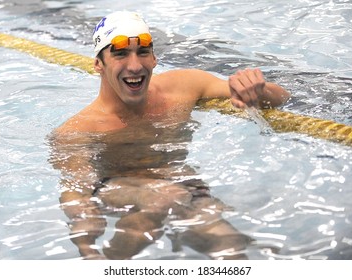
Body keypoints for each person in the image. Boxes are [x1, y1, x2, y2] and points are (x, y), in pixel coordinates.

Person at [50, 11, 290, 260]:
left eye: (143, 52)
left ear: (154, 59)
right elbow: (75, 193)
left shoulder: (183, 87)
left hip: (179, 183)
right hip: (113, 186)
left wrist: (258, 89)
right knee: (162, 199)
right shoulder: (78, 130)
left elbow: (281, 98)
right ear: (99, 64)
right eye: (120, 53)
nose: (134, 65)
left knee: (230, 247)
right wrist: (87, 246)